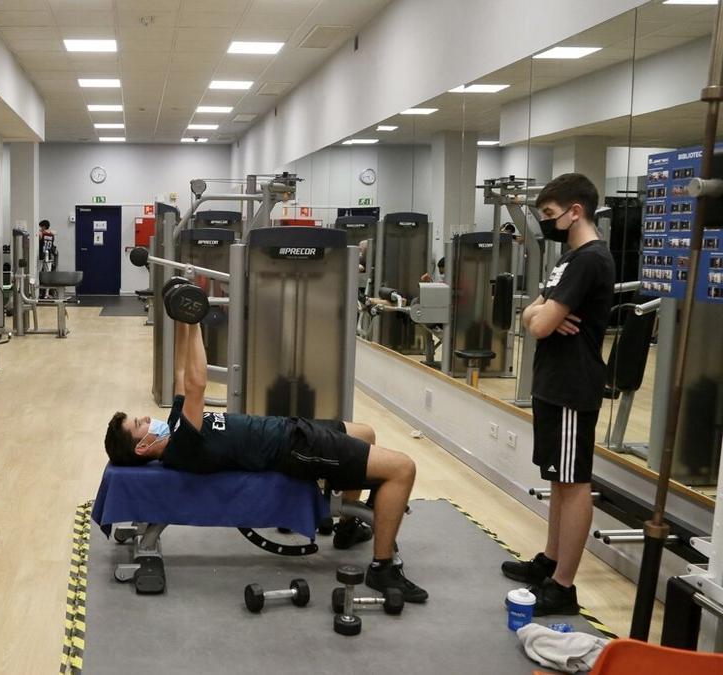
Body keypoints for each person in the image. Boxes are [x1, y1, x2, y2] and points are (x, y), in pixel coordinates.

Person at [103, 321, 428, 602]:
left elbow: (181, 371)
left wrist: (187, 322)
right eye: (139, 424)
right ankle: (382, 569)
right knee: (402, 468)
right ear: (143, 447)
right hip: (295, 448)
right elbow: (197, 382)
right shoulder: (181, 448)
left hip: (290, 428)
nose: (146, 417)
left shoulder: (174, 428)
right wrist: (196, 316)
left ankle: (348, 528)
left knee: (366, 434)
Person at [502, 173, 615, 616]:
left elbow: (542, 324)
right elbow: (535, 310)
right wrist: (538, 310)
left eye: (550, 215)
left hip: (572, 383)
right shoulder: (569, 259)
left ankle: (564, 585)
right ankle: (550, 562)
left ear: (576, 211)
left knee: (573, 483)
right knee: (557, 479)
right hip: (552, 380)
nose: (546, 222)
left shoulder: (590, 259)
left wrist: (540, 314)